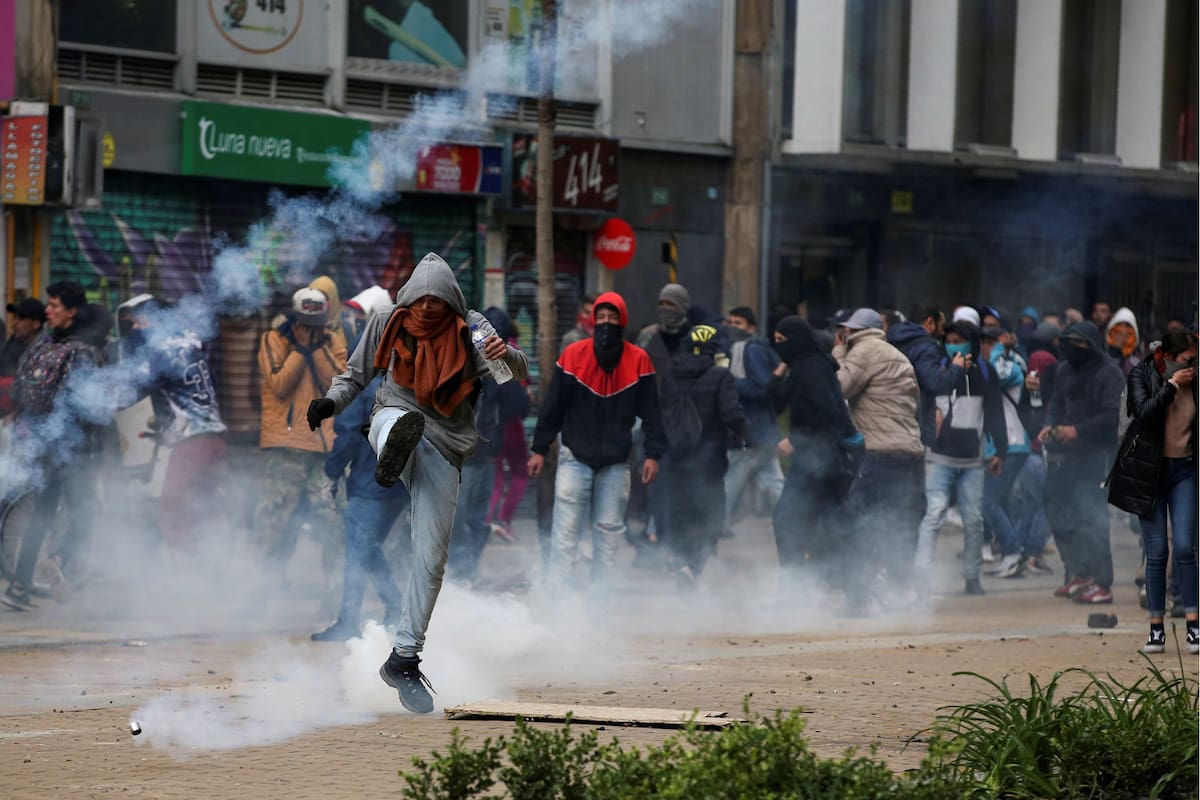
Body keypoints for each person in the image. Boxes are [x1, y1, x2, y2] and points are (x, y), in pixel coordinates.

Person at [309, 253, 528, 714]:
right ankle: (393, 451)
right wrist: (329, 404)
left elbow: (517, 371)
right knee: (396, 419)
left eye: (437, 301)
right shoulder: (388, 320)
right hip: (394, 417)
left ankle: (404, 658)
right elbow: (354, 375)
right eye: (420, 300)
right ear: (407, 299)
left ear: (452, 301)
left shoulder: (471, 327)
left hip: (445, 444)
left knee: (432, 559)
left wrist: (503, 354)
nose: (427, 309)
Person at [530, 291, 664, 589]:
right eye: (600, 318)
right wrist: (539, 449)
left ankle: (598, 606)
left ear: (622, 321)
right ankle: (557, 601)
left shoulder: (639, 360)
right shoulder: (573, 356)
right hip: (574, 457)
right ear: (592, 321)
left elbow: (653, 414)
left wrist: (653, 454)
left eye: (612, 318)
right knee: (564, 537)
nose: (606, 323)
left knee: (608, 537)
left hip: (616, 463)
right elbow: (553, 406)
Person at [312, 287, 409, 642]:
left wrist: (331, 473)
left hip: (371, 481)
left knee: (358, 549)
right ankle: (394, 606)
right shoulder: (408, 366)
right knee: (367, 547)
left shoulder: (367, 373)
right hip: (402, 482)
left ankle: (352, 621)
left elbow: (350, 432)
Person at [2, 282, 102, 610]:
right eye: (50, 304)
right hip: (74, 451)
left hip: (44, 449)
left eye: (55, 305)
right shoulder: (83, 351)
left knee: (41, 517)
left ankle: (18, 588)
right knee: (86, 516)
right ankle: (58, 558)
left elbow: (18, 392)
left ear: (72, 312)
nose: (48, 310)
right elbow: (91, 406)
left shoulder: (41, 348)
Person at [1106, 330, 1198, 654]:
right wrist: (1172, 387)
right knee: (1157, 552)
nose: (1194, 366)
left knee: (1186, 548)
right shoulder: (1142, 374)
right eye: (1189, 360)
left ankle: (1193, 625)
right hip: (1150, 474)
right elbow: (1144, 413)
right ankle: (1156, 628)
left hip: (1185, 469)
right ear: (1170, 358)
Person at [252, 288, 348, 588]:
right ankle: (263, 592)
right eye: (305, 323)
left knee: (334, 522)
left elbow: (339, 386)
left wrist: (315, 348)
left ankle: (336, 596)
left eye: (316, 323)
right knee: (274, 522)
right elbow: (279, 383)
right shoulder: (274, 339)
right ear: (295, 318)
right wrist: (298, 349)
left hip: (323, 447)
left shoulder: (332, 342)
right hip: (285, 447)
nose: (311, 329)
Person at [117, 295, 228, 552]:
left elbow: (132, 390)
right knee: (207, 505)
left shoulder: (162, 352)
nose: (135, 328)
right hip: (216, 438)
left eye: (140, 322)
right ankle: (218, 563)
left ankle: (185, 573)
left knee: (173, 507)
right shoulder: (191, 347)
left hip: (192, 442)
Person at [832, 308, 924, 604]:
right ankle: (898, 592)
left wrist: (838, 352)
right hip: (909, 453)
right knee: (896, 523)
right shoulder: (898, 355)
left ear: (854, 331)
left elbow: (839, 389)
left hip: (880, 453)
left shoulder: (863, 351)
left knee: (855, 522)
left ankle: (857, 598)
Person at [912, 320, 1008, 596]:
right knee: (934, 515)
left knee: (974, 519)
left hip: (972, 460)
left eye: (959, 339)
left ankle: (971, 576)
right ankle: (920, 577)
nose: (954, 344)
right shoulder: (940, 368)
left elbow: (994, 414)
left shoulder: (985, 371)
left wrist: (999, 451)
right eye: (949, 339)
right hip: (939, 456)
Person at [1040, 322, 1125, 605]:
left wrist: (1078, 430)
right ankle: (1079, 572)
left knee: (1092, 518)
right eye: (1067, 343)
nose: (1072, 350)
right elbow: (1056, 405)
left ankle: (1102, 582)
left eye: (1078, 343)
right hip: (1064, 457)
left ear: (1091, 343)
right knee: (1058, 512)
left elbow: (1113, 417)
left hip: (1095, 455)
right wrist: (1050, 427)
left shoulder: (1109, 372)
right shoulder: (1064, 369)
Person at [767, 316, 857, 582]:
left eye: (783, 341)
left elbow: (828, 410)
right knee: (826, 521)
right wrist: (781, 367)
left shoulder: (812, 368)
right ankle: (829, 580)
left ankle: (796, 582)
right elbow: (776, 401)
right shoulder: (802, 366)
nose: (778, 345)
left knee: (787, 518)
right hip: (820, 457)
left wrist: (796, 439)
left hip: (821, 457)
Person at [662, 324, 745, 586]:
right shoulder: (720, 376)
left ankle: (681, 562)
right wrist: (745, 434)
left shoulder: (670, 374)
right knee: (711, 516)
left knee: (680, 515)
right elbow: (732, 414)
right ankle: (694, 565)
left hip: (675, 459)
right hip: (709, 463)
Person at [723, 306, 784, 531]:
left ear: (751, 327)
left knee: (731, 483)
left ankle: (715, 525)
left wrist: (728, 382)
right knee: (773, 480)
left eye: (738, 323)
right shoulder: (746, 347)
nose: (732, 327)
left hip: (749, 431)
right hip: (762, 430)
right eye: (730, 322)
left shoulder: (749, 349)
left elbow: (763, 388)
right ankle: (795, 519)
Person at [978, 326, 1030, 579]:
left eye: (991, 343)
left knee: (989, 501)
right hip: (1002, 445)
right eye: (984, 343)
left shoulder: (1012, 364)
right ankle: (1012, 553)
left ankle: (1013, 552)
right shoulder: (991, 364)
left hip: (1013, 443)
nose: (986, 347)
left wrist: (1000, 348)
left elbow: (1000, 375)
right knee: (999, 501)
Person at [484, 307, 531, 542]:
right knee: (520, 472)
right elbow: (521, 391)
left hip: (488, 425)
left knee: (495, 474)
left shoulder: (478, 352)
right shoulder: (513, 352)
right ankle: (503, 519)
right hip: (511, 424)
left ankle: (486, 521)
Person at [0, 298, 45, 416]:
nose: (14, 323)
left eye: (21, 319)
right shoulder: (14, 342)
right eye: (15, 317)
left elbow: (34, 391)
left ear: (36, 324)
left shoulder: (46, 351)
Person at [1105, 307, 1142, 378]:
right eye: (1119, 325)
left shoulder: (1137, 365)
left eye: (1127, 326)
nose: (1123, 331)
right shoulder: (1101, 359)